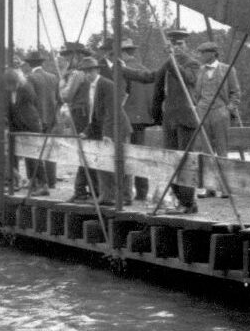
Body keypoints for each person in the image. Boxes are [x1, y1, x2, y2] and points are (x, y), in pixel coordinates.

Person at [131, 28, 200, 213]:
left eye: (180, 44)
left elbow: (189, 79)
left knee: (185, 160)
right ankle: (180, 200)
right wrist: (123, 70)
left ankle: (188, 203)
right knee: (171, 161)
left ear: (186, 45)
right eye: (173, 44)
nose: (177, 47)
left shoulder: (192, 64)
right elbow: (153, 82)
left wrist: (173, 62)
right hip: (169, 120)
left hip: (186, 119)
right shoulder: (167, 64)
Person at [70, 56, 131, 205]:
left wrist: (108, 134)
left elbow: (112, 111)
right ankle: (107, 196)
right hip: (105, 127)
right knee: (103, 163)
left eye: (89, 71)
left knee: (121, 162)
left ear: (96, 71)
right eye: (84, 72)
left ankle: (124, 197)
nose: (87, 75)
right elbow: (95, 114)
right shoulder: (90, 87)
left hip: (118, 128)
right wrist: (87, 131)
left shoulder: (106, 85)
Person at [193, 41, 240, 197]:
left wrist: (228, 109)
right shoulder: (200, 70)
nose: (201, 56)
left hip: (220, 112)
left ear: (213, 54)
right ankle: (209, 187)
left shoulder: (227, 69)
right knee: (206, 150)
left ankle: (225, 188)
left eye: (204, 53)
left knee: (222, 150)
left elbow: (235, 92)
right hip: (203, 111)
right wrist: (198, 106)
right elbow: (196, 93)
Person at [1, 68, 47, 194]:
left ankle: (43, 185)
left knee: (34, 156)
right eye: (8, 85)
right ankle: (28, 182)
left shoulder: (26, 88)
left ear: (17, 82)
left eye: (12, 84)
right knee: (19, 155)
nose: (9, 87)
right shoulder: (10, 92)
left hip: (30, 125)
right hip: (18, 127)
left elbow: (27, 107)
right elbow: (10, 109)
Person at [119, 38, 155, 200]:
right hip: (142, 119)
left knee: (126, 155)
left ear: (123, 53)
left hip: (127, 118)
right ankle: (142, 191)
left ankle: (126, 193)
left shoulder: (123, 70)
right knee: (140, 154)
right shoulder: (143, 70)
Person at [58, 42, 93, 201]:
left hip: (80, 114)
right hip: (85, 112)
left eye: (67, 57)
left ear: (76, 56)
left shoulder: (77, 74)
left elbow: (66, 96)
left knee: (83, 150)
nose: (66, 60)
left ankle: (80, 189)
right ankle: (88, 189)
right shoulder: (85, 72)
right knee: (86, 150)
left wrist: (62, 82)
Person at [25, 51, 60, 189]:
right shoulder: (53, 77)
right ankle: (51, 181)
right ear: (42, 63)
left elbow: (30, 100)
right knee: (49, 149)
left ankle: (35, 180)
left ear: (29, 64)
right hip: (52, 119)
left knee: (33, 149)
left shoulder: (30, 78)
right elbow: (59, 99)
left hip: (36, 120)